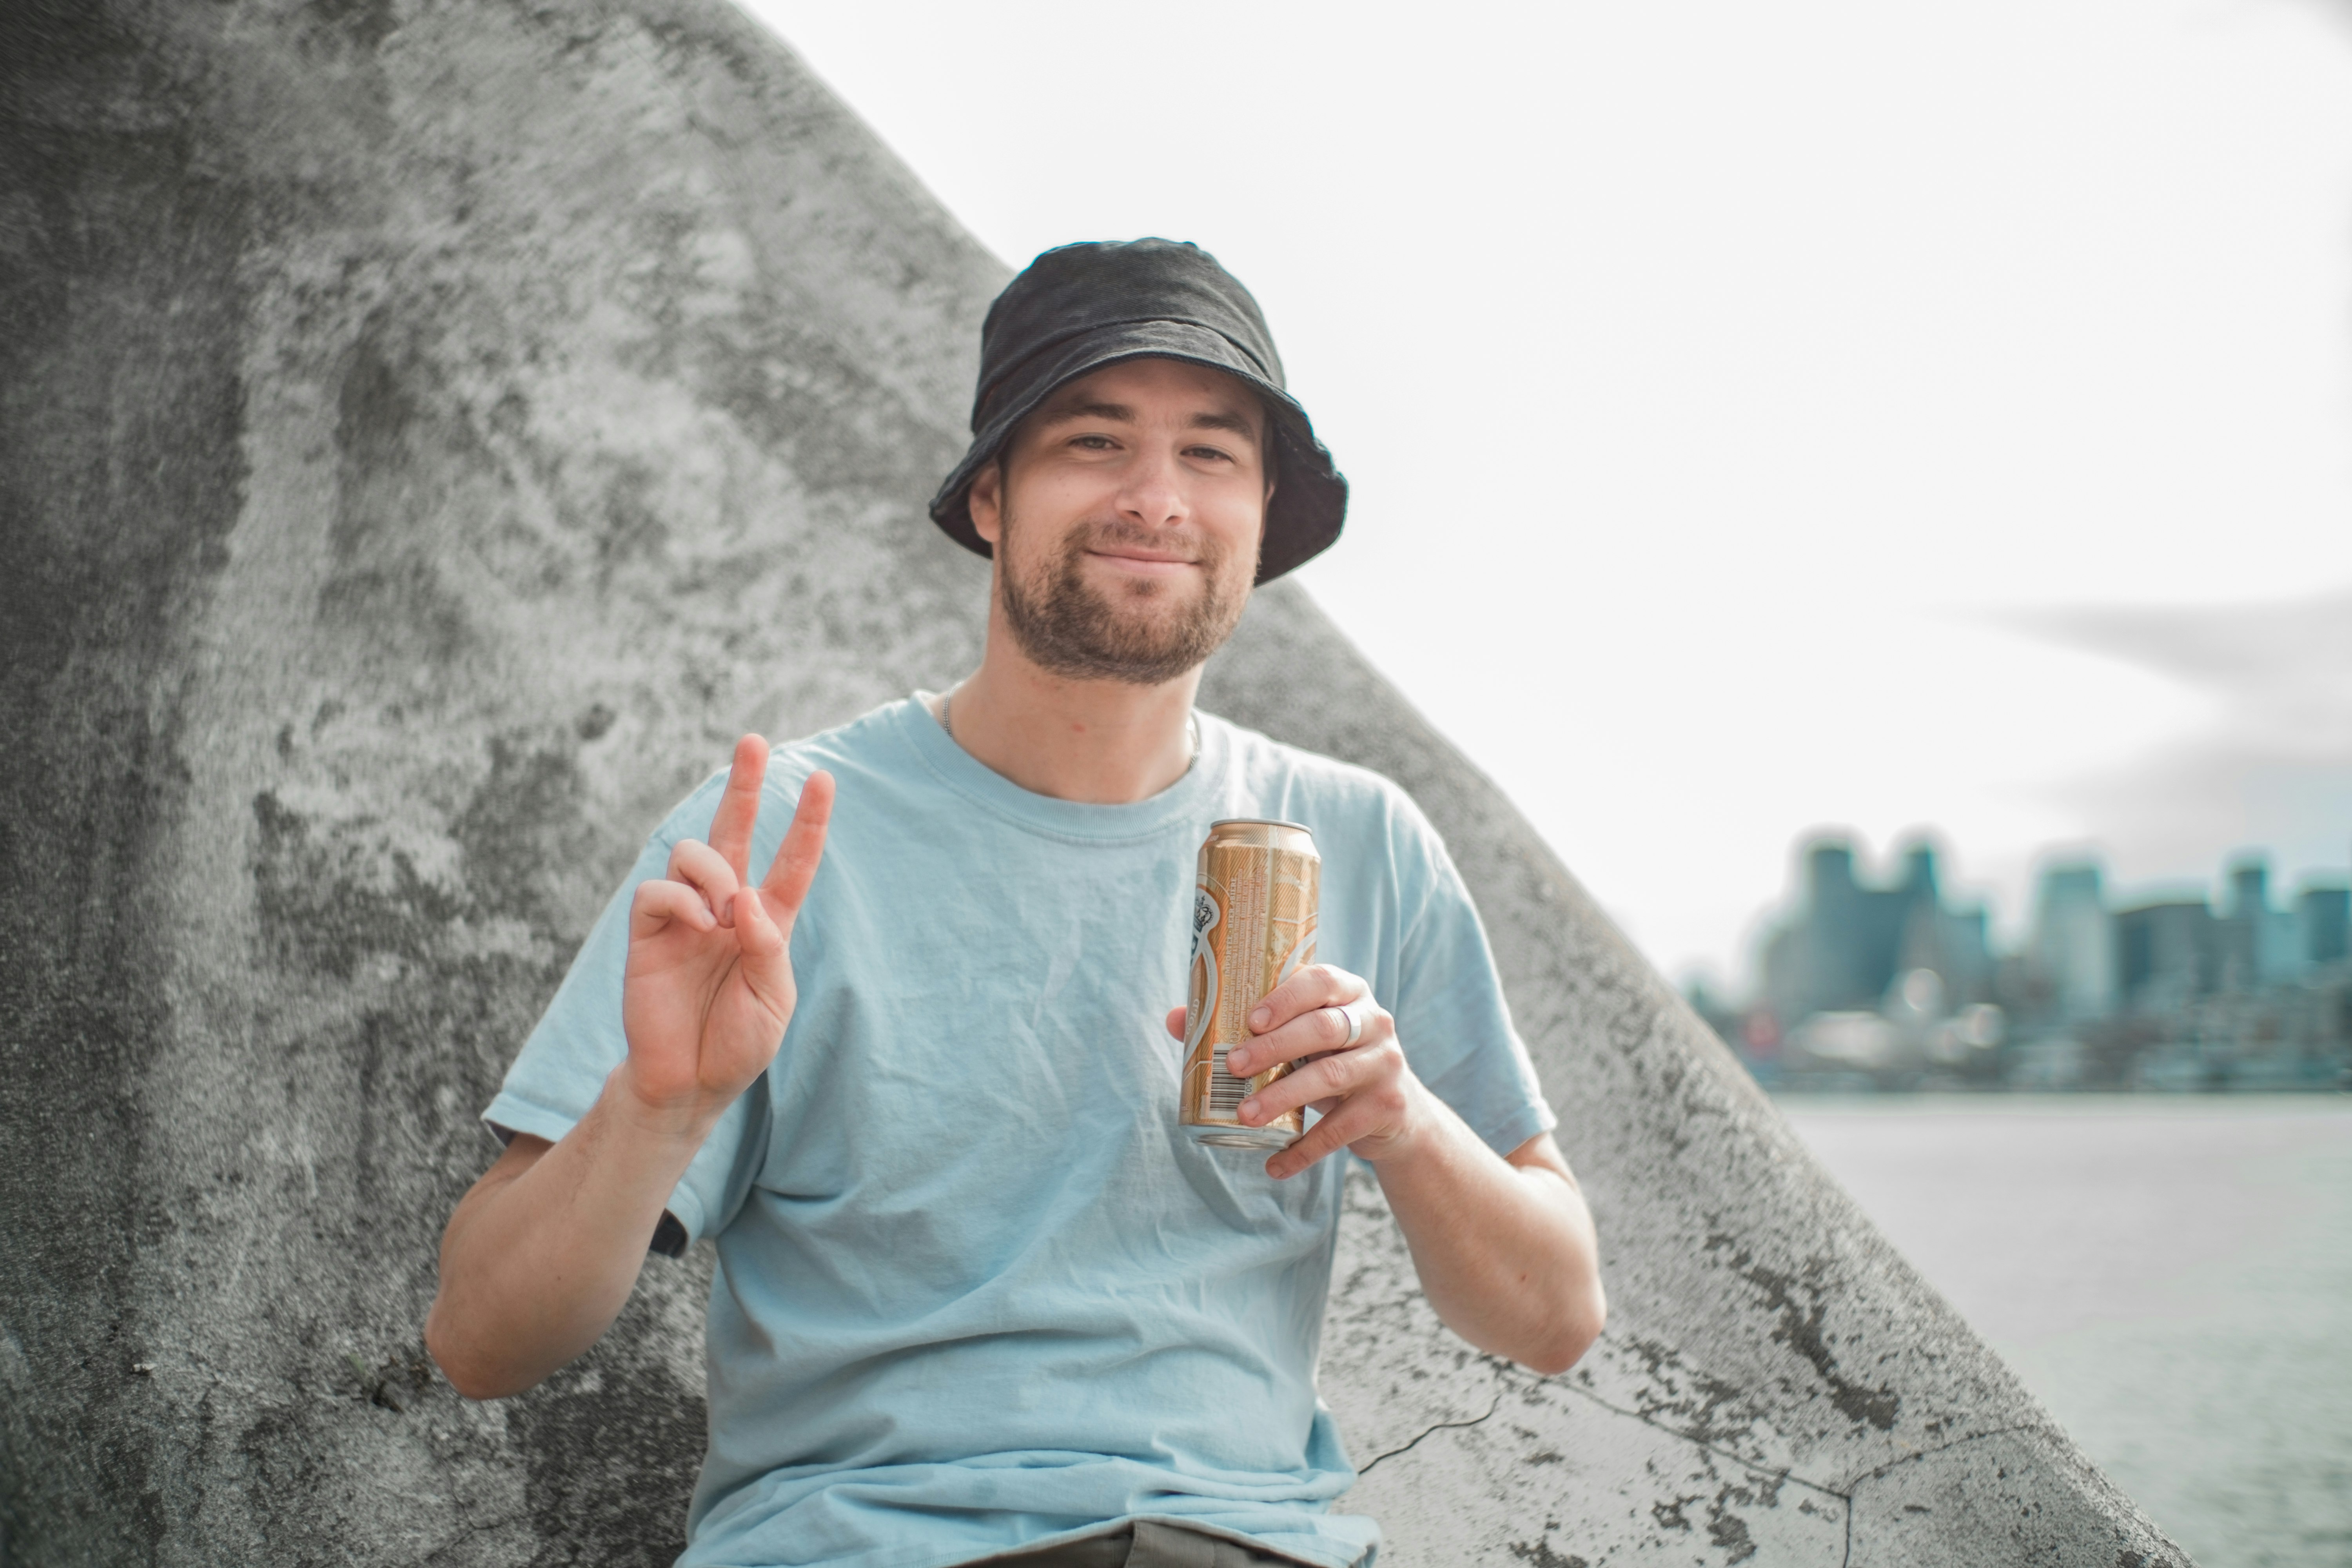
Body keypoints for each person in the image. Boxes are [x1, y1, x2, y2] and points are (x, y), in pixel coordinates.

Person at [425, 238, 1606, 1568]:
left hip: (1242, 1543)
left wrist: (1404, 1125)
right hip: (867, 1545)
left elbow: (1558, 1313)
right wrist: (660, 1107)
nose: (1156, 498)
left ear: (1262, 512)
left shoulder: (1360, 839)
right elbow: (478, 1339)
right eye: (1096, 442)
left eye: (1211, 454)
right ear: (992, 497)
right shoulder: (776, 839)